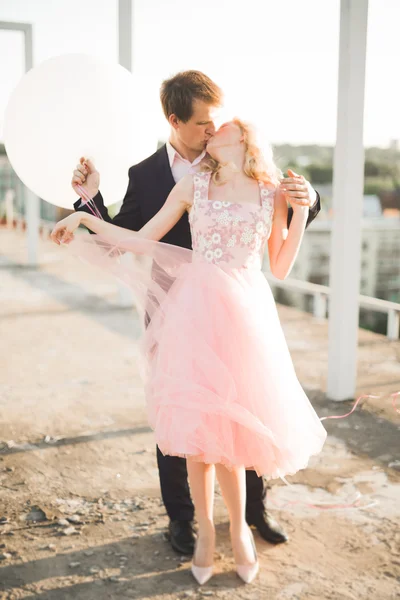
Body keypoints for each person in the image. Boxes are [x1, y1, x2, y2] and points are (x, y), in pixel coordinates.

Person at [51, 114, 327, 585]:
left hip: (245, 315)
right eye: (206, 124)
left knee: (235, 432)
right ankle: (204, 534)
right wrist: (81, 214)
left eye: (220, 127)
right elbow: (139, 240)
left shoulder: (273, 192)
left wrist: (301, 210)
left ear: (243, 138)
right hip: (193, 311)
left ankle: (239, 528)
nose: (211, 130)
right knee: (199, 435)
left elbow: (279, 267)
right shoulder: (192, 187)